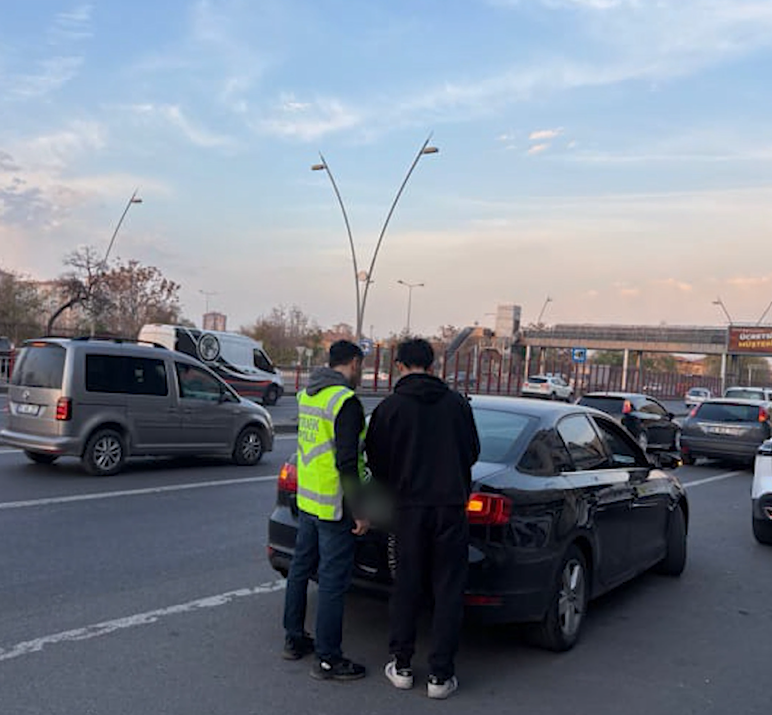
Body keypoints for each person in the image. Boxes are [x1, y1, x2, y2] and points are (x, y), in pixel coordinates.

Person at [365, 338, 480, 700]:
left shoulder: (389, 408)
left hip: (407, 510)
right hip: (450, 508)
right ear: (433, 366)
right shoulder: (457, 405)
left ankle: (401, 665)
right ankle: (440, 676)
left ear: (399, 366)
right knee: (448, 588)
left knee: (406, 585)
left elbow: (376, 461)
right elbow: (472, 451)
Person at [282, 339, 370, 681]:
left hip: (307, 500)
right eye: (361, 366)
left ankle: (293, 640)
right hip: (333, 504)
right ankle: (328, 659)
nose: (361, 372)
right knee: (333, 582)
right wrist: (359, 510)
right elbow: (347, 461)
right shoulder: (345, 401)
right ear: (354, 362)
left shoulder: (308, 395)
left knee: (300, 569)